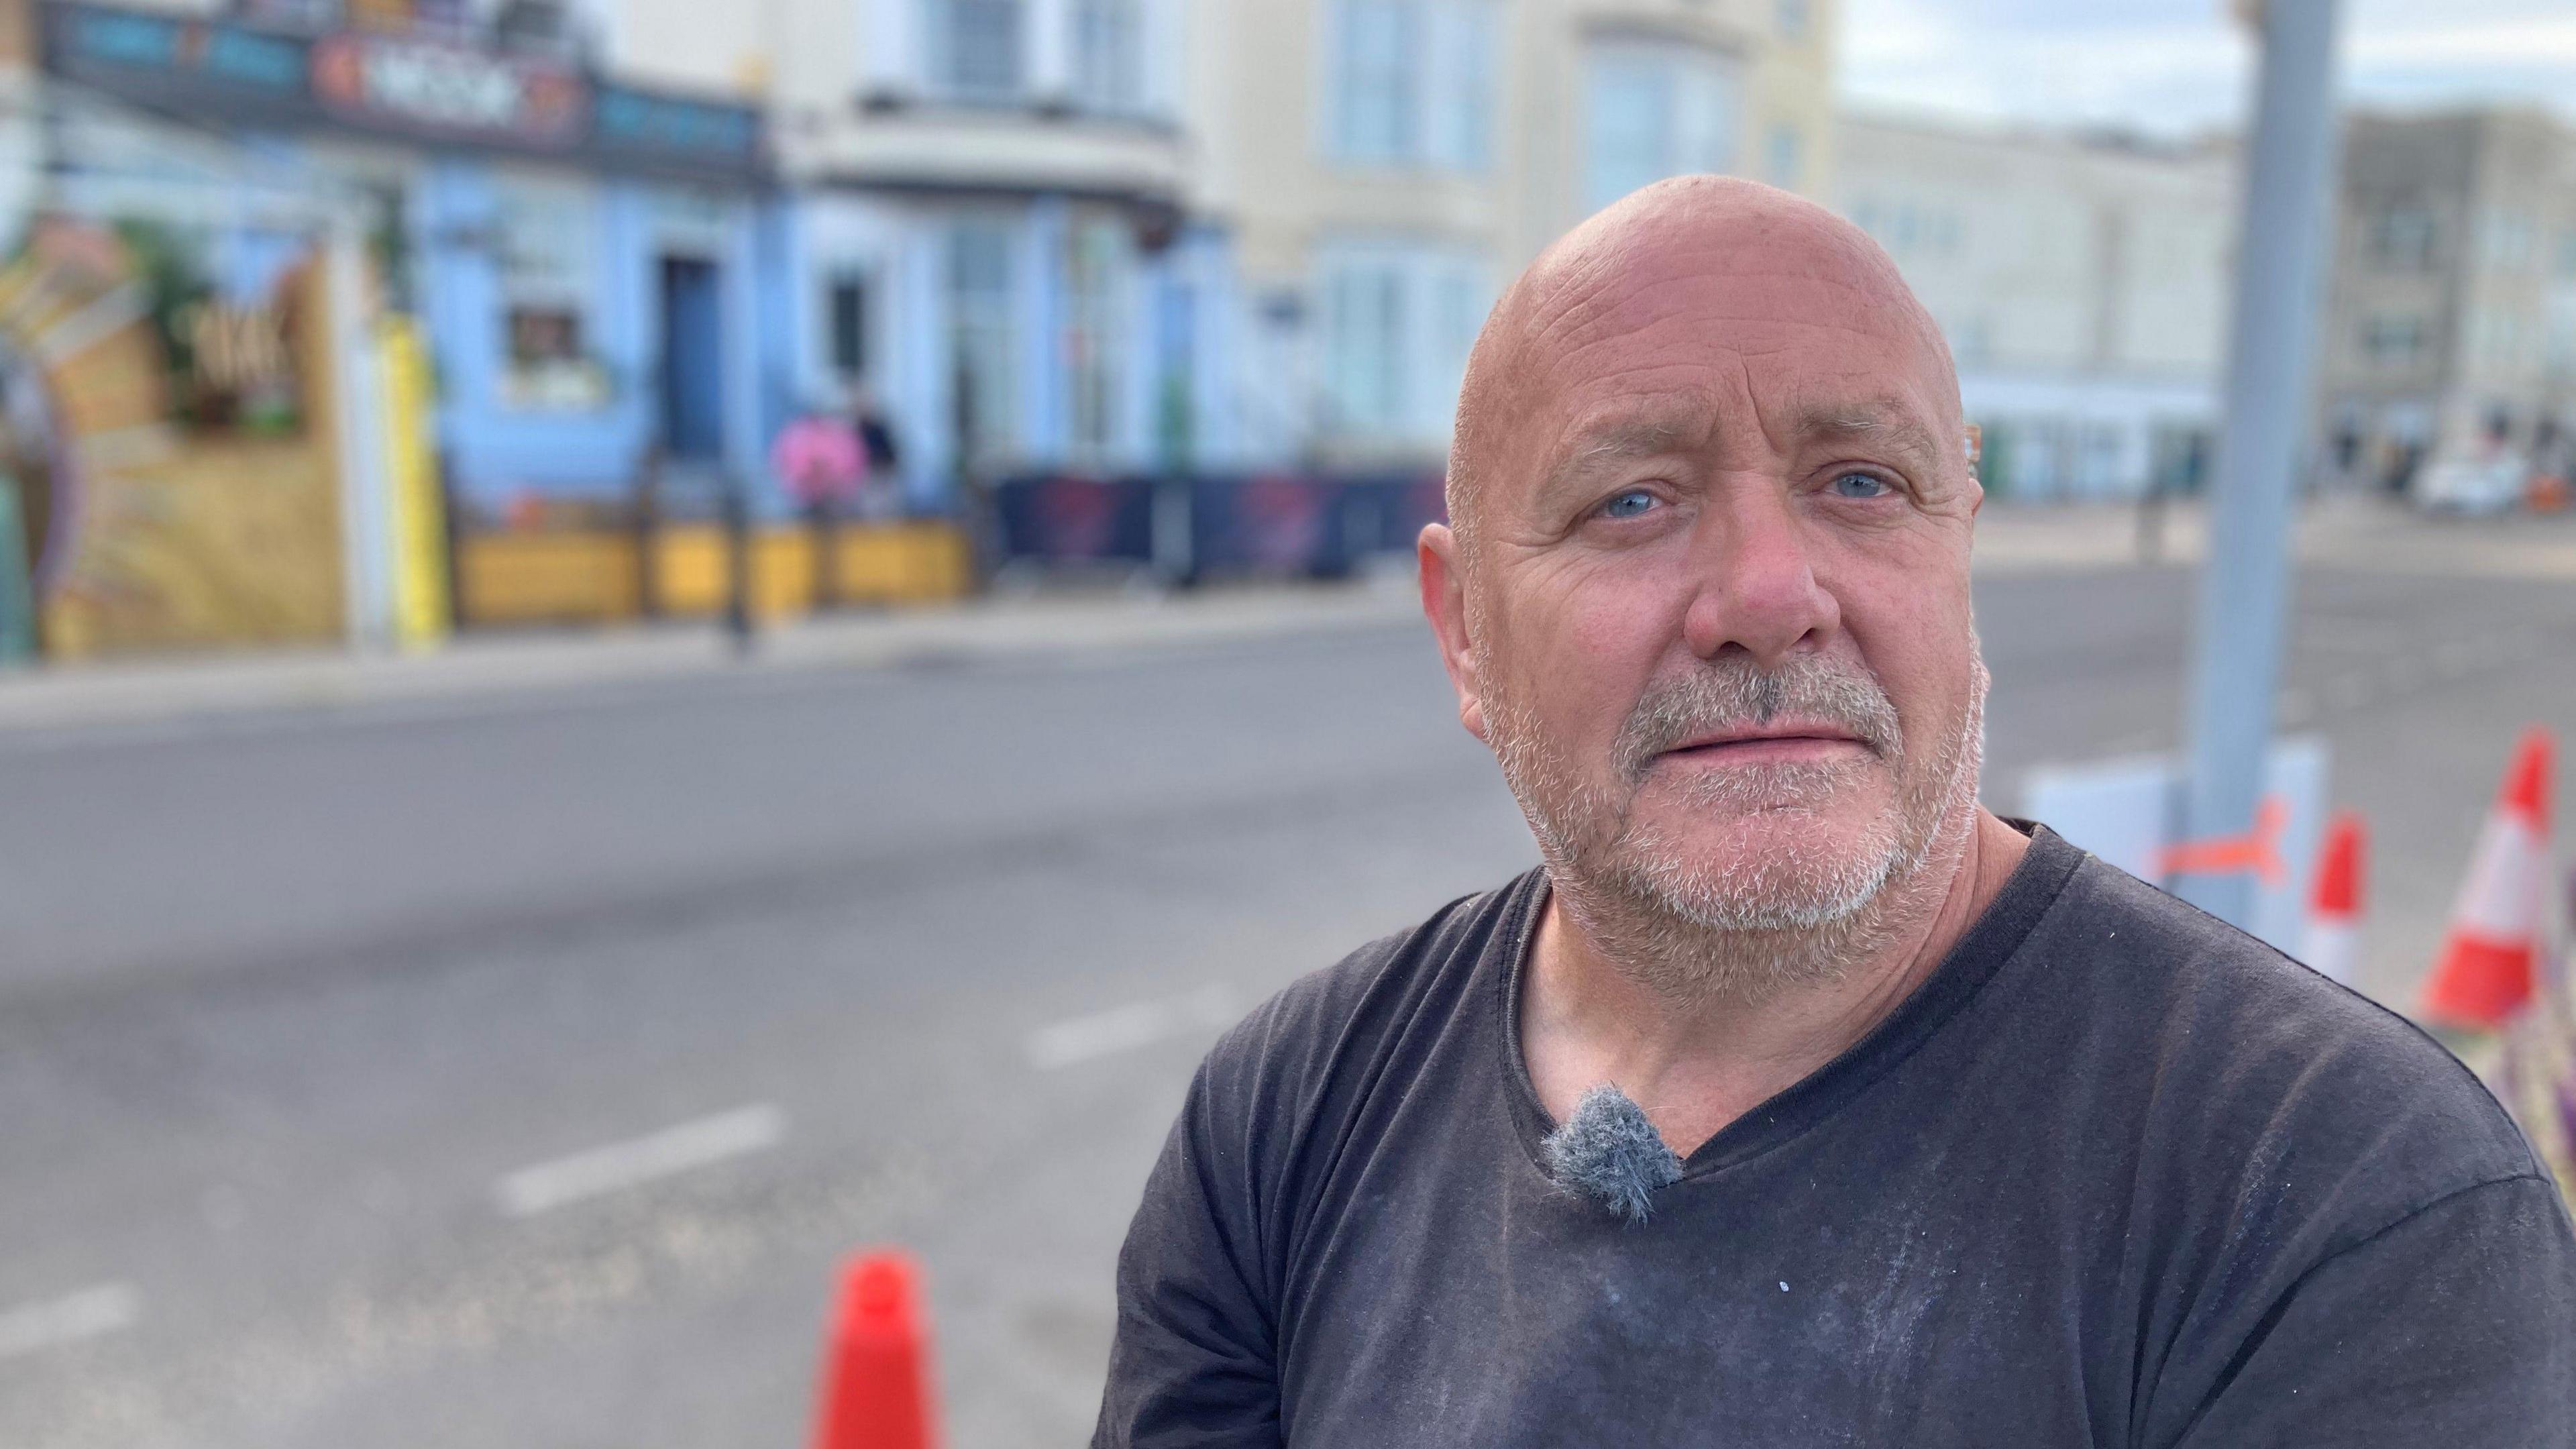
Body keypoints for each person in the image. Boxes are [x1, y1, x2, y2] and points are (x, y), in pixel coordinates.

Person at [1093, 178, 2576, 1445]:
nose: (1769, 598)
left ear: (1959, 555)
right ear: (1466, 629)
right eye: (1633, 500)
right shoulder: (1282, 1122)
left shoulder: (2350, 1201)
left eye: (1861, 483)